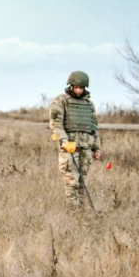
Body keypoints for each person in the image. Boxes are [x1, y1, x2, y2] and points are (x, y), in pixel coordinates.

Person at [49, 71, 102, 208]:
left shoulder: (89, 104)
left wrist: (97, 148)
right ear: (71, 86)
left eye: (81, 87)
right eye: (76, 87)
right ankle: (73, 213)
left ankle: (82, 212)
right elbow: (56, 124)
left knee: (82, 182)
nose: (79, 90)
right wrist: (65, 141)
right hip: (69, 148)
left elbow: (94, 128)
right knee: (72, 181)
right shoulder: (61, 101)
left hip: (86, 147)